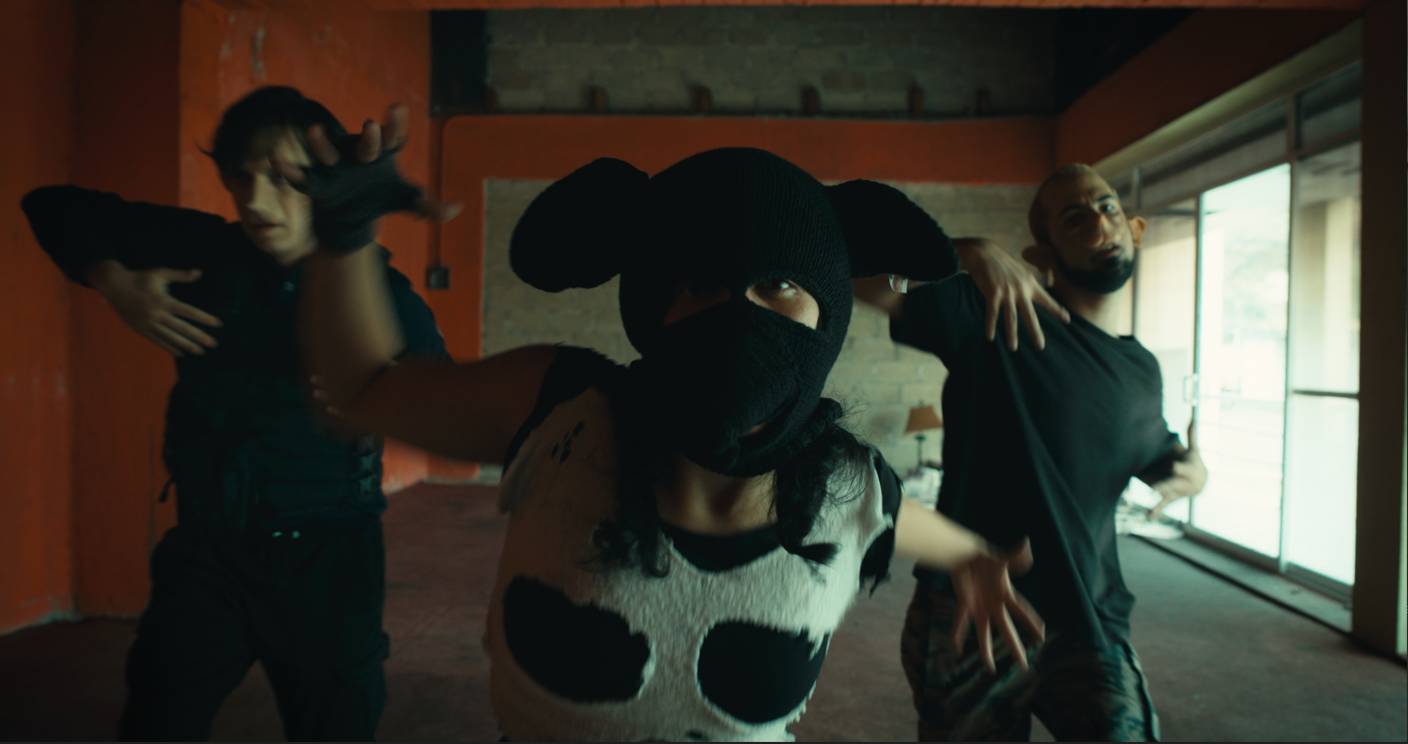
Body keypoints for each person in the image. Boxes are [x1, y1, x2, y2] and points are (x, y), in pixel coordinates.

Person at [288, 106, 1046, 741]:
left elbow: (910, 526)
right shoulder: (562, 414)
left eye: (780, 283)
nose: (739, 316)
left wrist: (977, 561)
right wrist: (344, 234)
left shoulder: (847, 488)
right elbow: (362, 391)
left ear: (829, 307)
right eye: (700, 283)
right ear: (649, 301)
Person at [20, 86, 447, 742]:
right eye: (241, 177)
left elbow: (441, 397)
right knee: (158, 719)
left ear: (324, 181)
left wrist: (380, 395)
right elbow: (52, 205)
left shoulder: (378, 290)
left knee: (335, 725)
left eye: (281, 178)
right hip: (209, 551)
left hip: (328, 557)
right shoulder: (204, 250)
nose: (256, 200)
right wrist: (115, 282)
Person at [854, 163, 1208, 742]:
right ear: (1041, 254)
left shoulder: (1141, 368)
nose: (1100, 223)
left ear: (1136, 229)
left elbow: (1158, 459)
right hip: (974, 610)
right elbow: (850, 278)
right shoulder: (996, 311)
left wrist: (1193, 474)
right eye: (1075, 218)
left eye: (1108, 208)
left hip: (1088, 618)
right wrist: (962, 252)